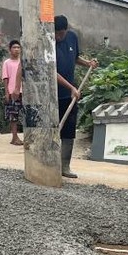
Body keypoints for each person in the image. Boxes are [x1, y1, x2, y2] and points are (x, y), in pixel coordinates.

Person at [54, 15, 98, 178]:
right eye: (56, 34)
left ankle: (65, 166)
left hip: (69, 96)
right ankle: (51, 164)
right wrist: (71, 87)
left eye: (61, 34)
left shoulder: (72, 37)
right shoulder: (48, 42)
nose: (59, 37)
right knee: (53, 130)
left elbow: (75, 57)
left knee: (69, 131)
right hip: (53, 96)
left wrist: (88, 63)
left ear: (66, 30)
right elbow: (52, 71)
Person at [1, 39, 24, 146]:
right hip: (12, 92)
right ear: (10, 49)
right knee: (13, 116)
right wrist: (7, 93)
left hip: (24, 92)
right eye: (14, 47)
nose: (16, 49)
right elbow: (5, 78)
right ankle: (14, 137)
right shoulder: (7, 63)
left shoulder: (22, 61)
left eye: (18, 47)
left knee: (26, 115)